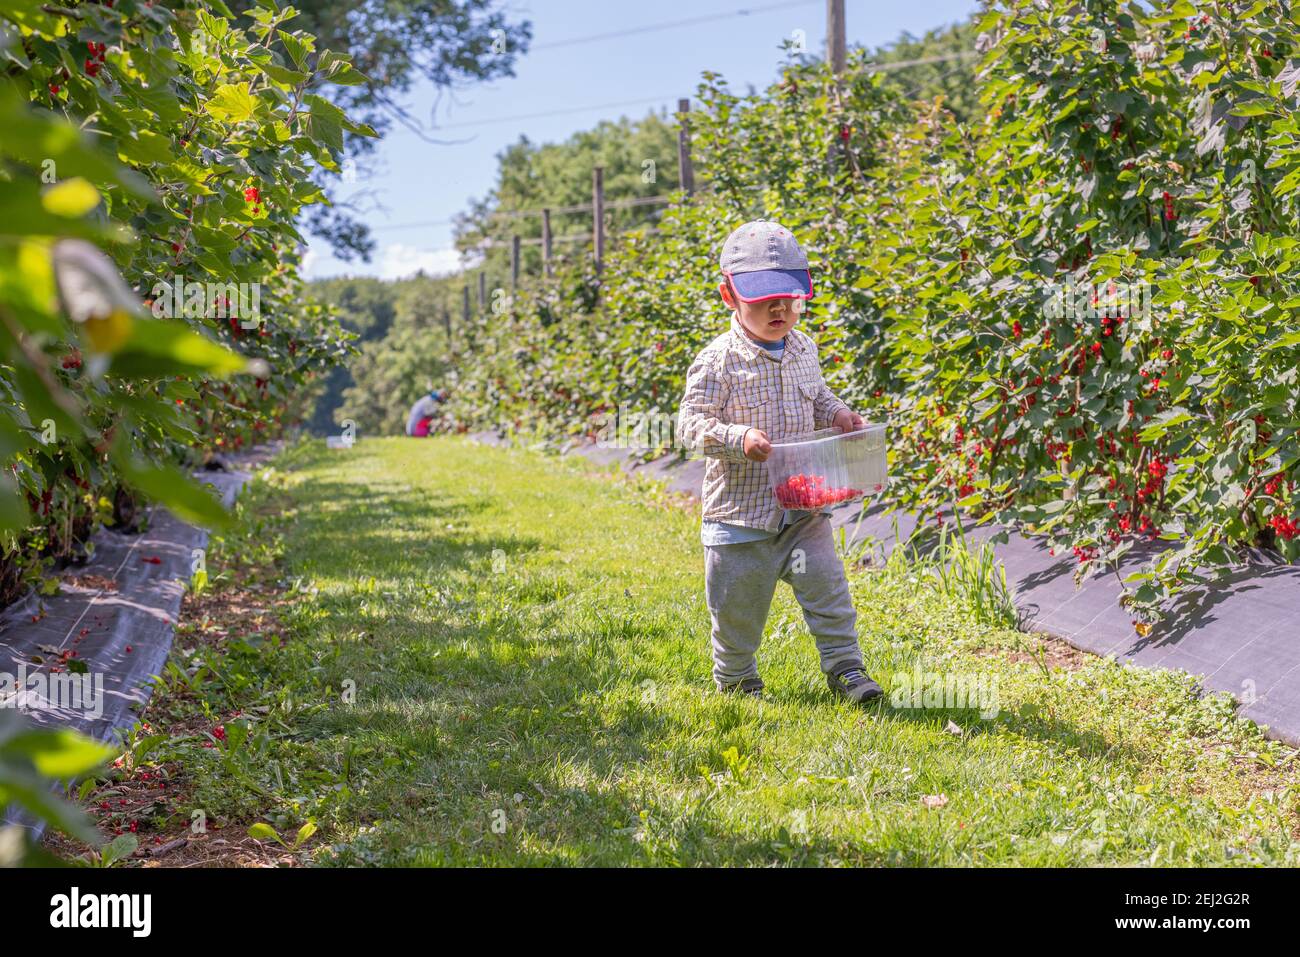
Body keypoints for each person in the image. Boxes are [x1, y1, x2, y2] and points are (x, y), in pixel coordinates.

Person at [675, 220, 883, 704]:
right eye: (762, 298)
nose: (778, 309)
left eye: (789, 298)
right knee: (737, 610)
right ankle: (737, 679)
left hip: (803, 507)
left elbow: (817, 396)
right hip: (742, 517)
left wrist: (838, 414)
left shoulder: (804, 347)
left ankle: (846, 669)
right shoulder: (717, 362)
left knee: (829, 591)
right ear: (729, 295)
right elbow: (689, 424)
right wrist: (737, 436)